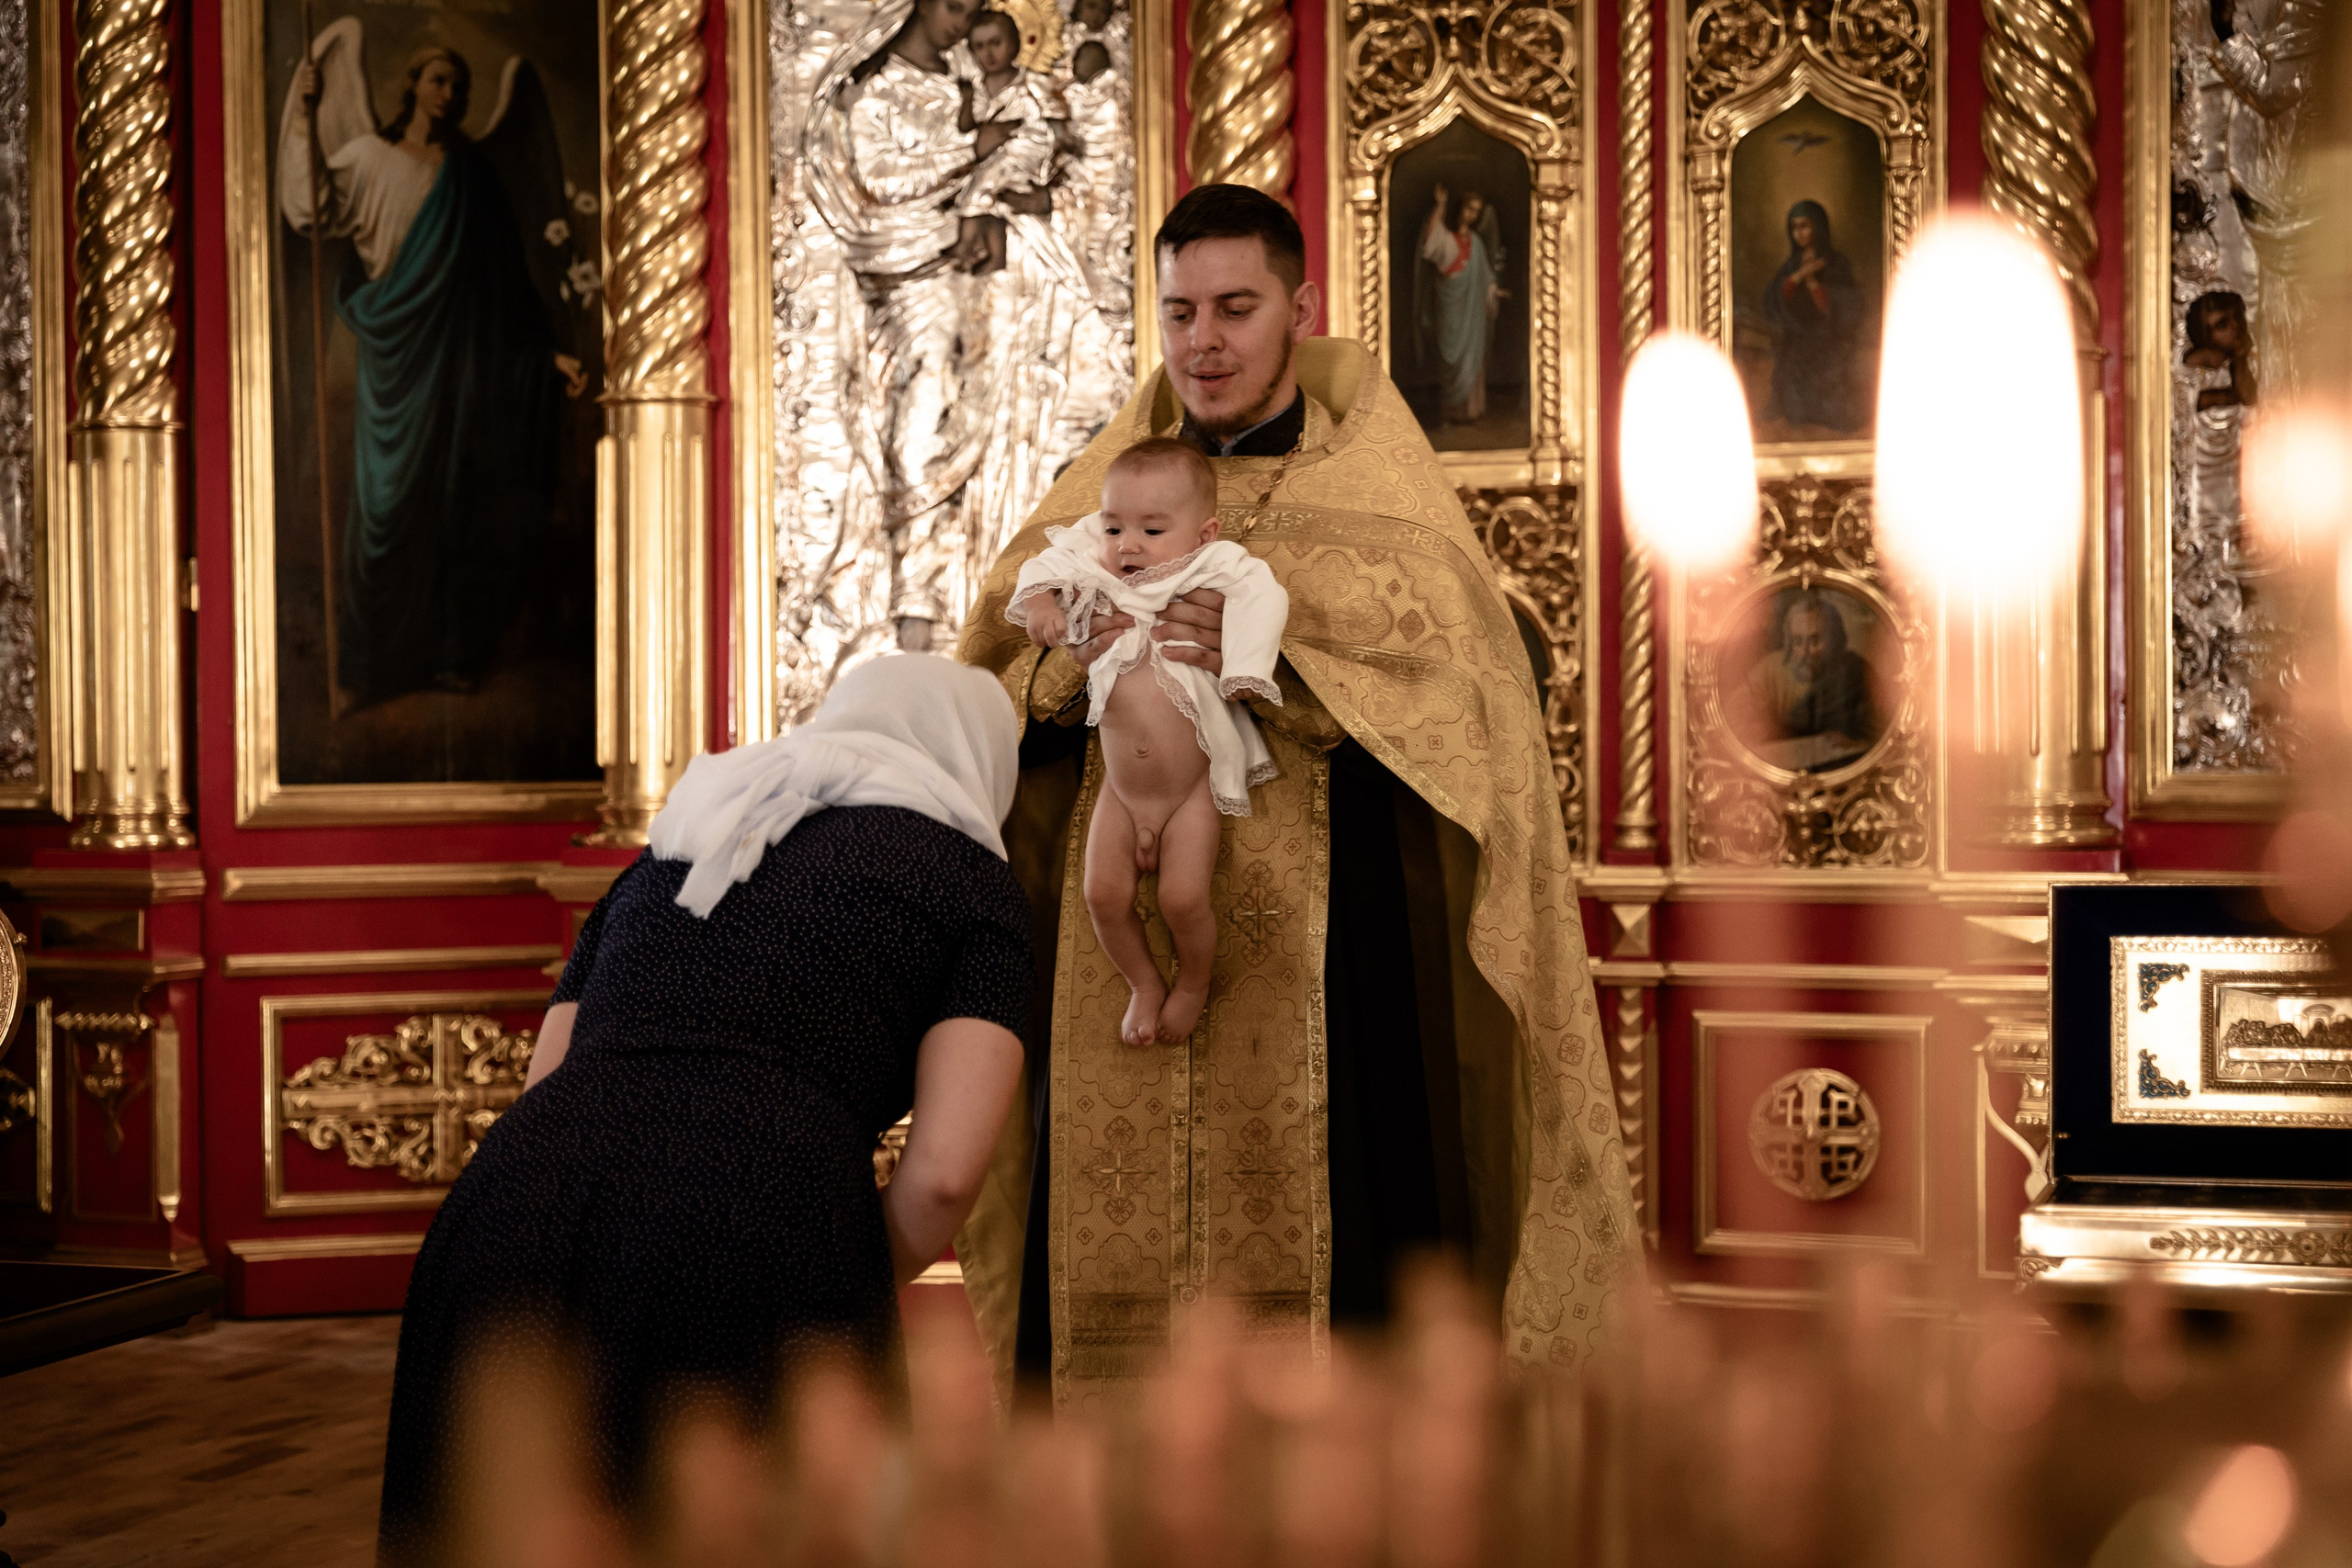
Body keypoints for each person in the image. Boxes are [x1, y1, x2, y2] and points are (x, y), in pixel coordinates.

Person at [956, 183, 1636, 1409]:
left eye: (1235, 308)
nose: (1205, 341)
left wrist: (1295, 662)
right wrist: (1069, 665)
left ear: (1299, 309)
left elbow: (1473, 699)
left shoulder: (1382, 497)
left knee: (1348, 1223)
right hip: (1117, 945)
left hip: (1334, 946)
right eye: (1179, 312)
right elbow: (1004, 671)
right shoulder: (1104, 489)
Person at [375, 657, 1031, 1563]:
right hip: (747, 1207)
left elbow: (549, 1080)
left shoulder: (680, 847)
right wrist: (825, 1266)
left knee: (498, 1520)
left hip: (510, 1202)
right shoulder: (971, 886)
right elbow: (947, 1176)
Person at [279, 34, 586, 705]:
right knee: (384, 508)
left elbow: (504, 285)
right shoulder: (366, 157)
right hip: (393, 355)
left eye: (458, 86)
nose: (449, 95)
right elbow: (309, 211)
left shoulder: (472, 174)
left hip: (459, 362)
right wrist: (305, 116)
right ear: (414, 84)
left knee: (453, 505)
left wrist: (543, 354)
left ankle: (449, 654)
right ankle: (366, 665)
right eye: (439, 80)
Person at [1009, 438, 1289, 1046]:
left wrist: (1244, 665)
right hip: (1121, 789)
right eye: (1114, 526)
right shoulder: (1100, 554)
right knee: (1102, 894)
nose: (1127, 544)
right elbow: (1042, 564)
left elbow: (1264, 595)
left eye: (1151, 530)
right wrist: (1040, 603)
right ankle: (1142, 983)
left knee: (1184, 899)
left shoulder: (1213, 564)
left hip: (1189, 792)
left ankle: (1192, 981)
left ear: (1202, 532)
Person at [951, 11, 1065, 277]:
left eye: (995, 43)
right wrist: (966, 100)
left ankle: (965, 242)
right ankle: (995, 255)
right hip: (995, 155)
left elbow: (1055, 117)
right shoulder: (978, 89)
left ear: (1015, 44)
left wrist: (1063, 139)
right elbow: (967, 128)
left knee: (981, 186)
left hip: (1027, 149)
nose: (988, 53)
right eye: (979, 46)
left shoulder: (1033, 82)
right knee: (990, 194)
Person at [1735, 589, 1881, 773]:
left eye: (1815, 640)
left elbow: (1883, 729)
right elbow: (1737, 717)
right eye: (1797, 641)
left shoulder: (1855, 671)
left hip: (1841, 771)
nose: (1806, 652)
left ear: (1834, 639)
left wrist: (1860, 742)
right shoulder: (1771, 669)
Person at [1758, 198, 1867, 435]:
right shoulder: (1791, 265)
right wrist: (1798, 277)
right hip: (1797, 340)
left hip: (1830, 342)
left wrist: (1814, 285)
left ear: (1818, 226)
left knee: (1835, 403)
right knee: (1791, 395)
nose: (1799, 233)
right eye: (1794, 227)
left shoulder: (1836, 263)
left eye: (1805, 226)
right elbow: (1773, 298)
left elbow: (1850, 304)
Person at [1417, 184, 1507, 424]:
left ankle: (1470, 411)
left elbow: (1485, 276)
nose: (1472, 215)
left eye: (1477, 211)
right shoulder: (1447, 239)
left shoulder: (1476, 243)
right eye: (1469, 208)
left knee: (1470, 356)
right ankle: (1449, 412)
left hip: (1471, 312)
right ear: (1460, 209)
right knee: (1450, 358)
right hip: (1450, 309)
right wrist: (1441, 205)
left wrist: (1493, 290)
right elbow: (1430, 243)